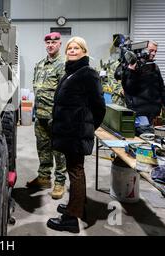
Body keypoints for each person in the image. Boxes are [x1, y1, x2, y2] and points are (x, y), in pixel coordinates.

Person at [47, 37, 106, 233]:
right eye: (70, 48)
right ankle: (77, 206)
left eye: (77, 48)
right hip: (69, 133)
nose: (72, 51)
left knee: (76, 171)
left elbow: (99, 107)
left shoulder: (88, 73)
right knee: (75, 170)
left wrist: (86, 128)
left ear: (84, 51)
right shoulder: (70, 72)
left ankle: (71, 219)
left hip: (76, 133)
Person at [26, 32, 67, 199]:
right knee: (43, 148)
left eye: (54, 42)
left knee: (59, 150)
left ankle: (59, 182)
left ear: (60, 44)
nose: (50, 45)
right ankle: (44, 177)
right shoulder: (40, 64)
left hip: (56, 116)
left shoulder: (63, 65)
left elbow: (65, 92)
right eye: (48, 42)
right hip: (40, 115)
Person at [121, 41, 165, 135]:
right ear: (143, 50)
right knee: (145, 138)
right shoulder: (131, 67)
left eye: (155, 51)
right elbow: (129, 89)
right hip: (140, 113)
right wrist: (132, 71)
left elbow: (162, 88)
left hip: (153, 113)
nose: (153, 53)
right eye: (151, 50)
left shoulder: (154, 67)